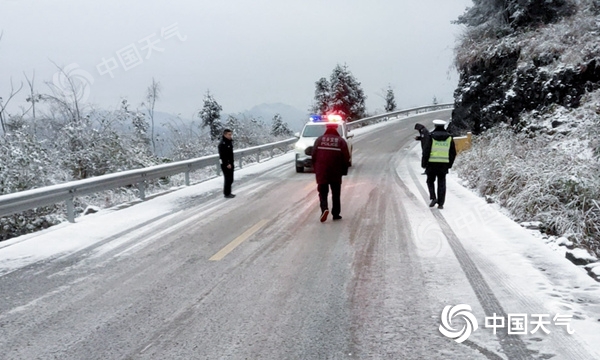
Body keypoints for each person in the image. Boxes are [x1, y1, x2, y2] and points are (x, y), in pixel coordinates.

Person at [311, 122, 351, 222]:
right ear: (336, 129)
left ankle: (324, 209)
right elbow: (346, 157)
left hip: (322, 172)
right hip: (336, 172)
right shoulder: (341, 141)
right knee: (336, 193)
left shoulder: (319, 140)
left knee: (323, 192)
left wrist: (315, 169)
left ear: (327, 129)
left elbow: (313, 155)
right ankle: (336, 214)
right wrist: (344, 170)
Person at [422, 119, 456, 209]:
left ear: (435, 126)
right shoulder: (449, 137)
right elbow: (453, 153)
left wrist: (424, 164)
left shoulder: (431, 136)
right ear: (443, 126)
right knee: (441, 183)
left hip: (431, 163)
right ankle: (441, 204)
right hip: (443, 164)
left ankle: (433, 197)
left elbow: (426, 151)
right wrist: (449, 164)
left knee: (430, 181)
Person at [218, 128, 236, 198]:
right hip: (226, 164)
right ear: (225, 134)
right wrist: (226, 164)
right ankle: (227, 193)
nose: (230, 136)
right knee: (228, 179)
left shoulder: (229, 142)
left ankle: (228, 192)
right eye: (229, 134)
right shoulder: (222, 144)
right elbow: (222, 156)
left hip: (231, 163)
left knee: (231, 179)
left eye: (231, 134)